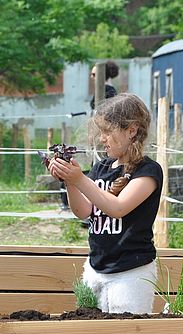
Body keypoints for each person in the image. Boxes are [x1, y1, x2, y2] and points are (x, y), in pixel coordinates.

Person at [48, 93, 162, 314]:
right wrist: (70, 182)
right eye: (101, 132)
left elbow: (118, 208)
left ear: (132, 130)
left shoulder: (148, 171)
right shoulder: (102, 168)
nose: (102, 138)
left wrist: (79, 178)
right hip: (95, 269)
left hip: (131, 273)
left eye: (108, 131)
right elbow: (83, 211)